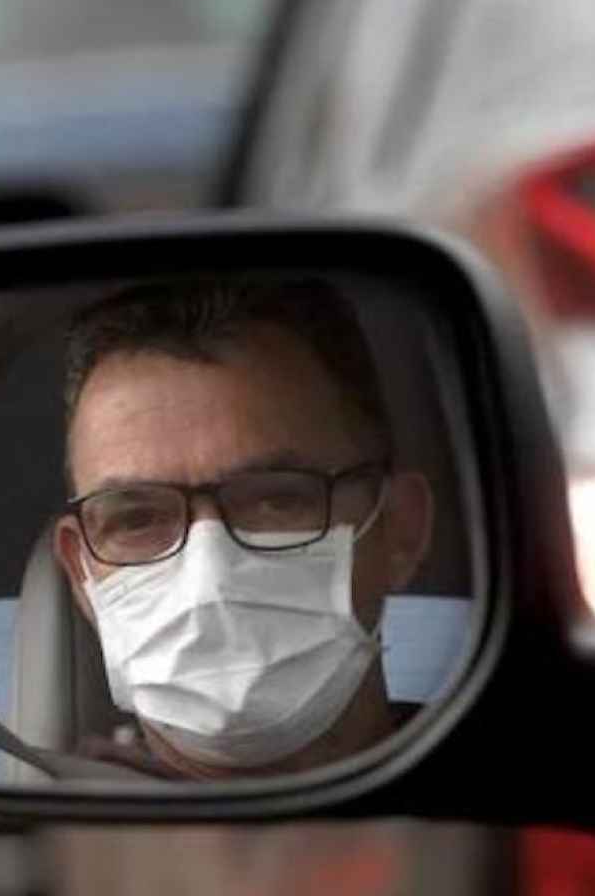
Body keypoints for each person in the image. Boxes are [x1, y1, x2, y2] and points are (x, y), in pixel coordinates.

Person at [51, 279, 435, 780]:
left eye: (275, 499)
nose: (209, 575)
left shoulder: (530, 809)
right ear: (82, 575)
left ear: (399, 531)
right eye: (137, 518)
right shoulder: (43, 844)